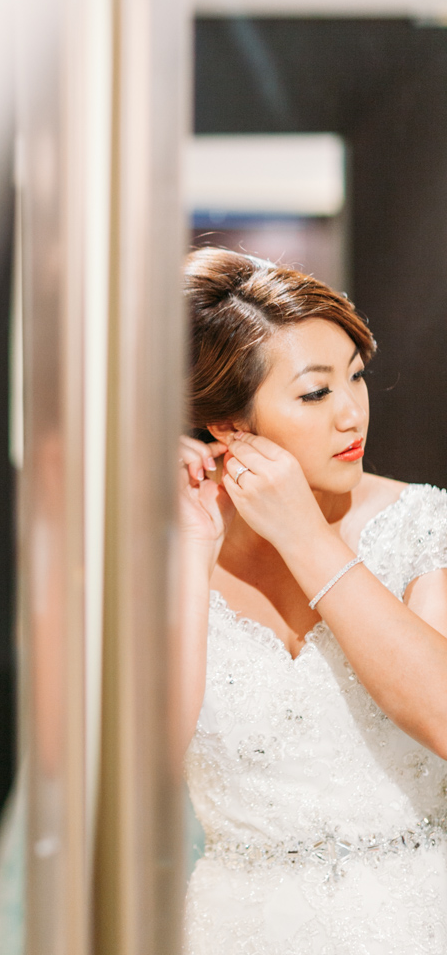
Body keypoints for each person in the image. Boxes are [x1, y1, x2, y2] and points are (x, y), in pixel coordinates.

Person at [179, 247, 447, 955]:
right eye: (315, 393)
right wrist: (184, 557)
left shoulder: (427, 527)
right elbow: (134, 778)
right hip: (236, 930)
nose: (352, 413)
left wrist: (309, 542)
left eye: (355, 379)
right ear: (228, 428)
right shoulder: (167, 553)